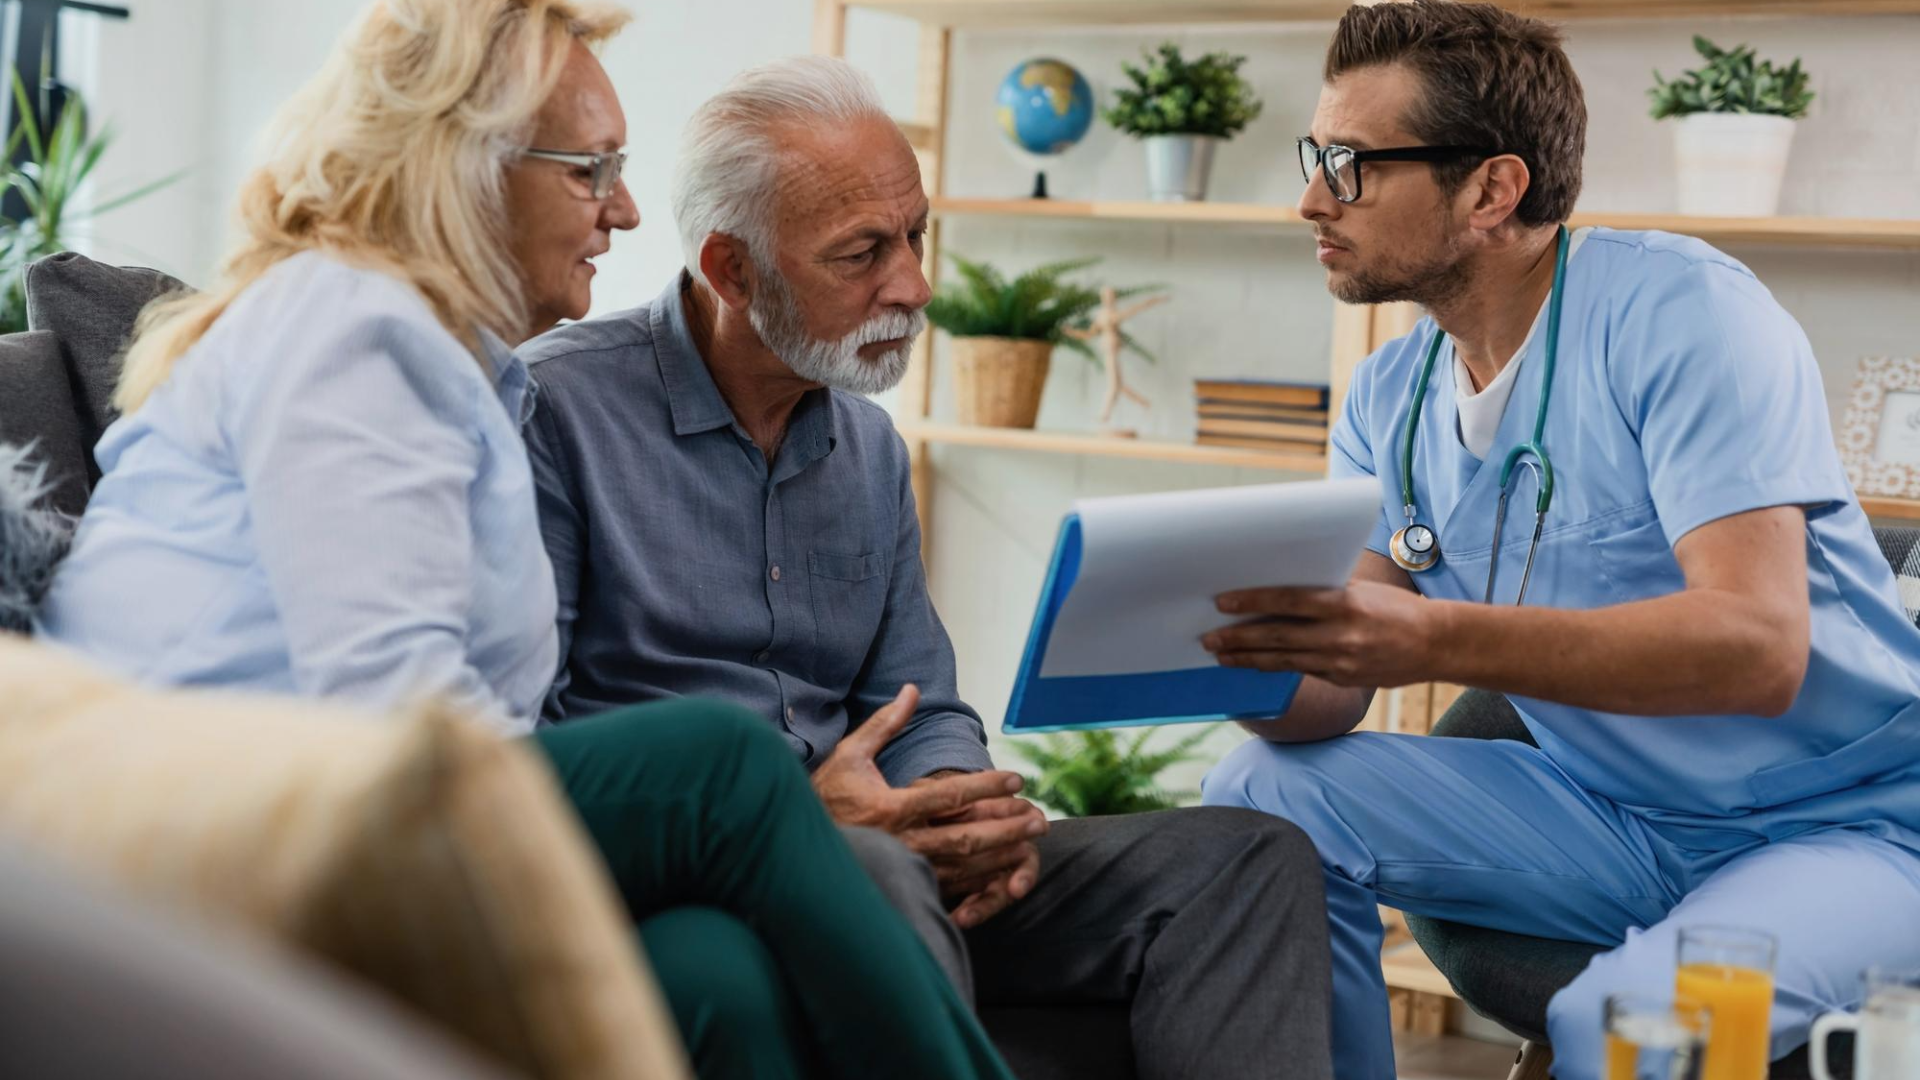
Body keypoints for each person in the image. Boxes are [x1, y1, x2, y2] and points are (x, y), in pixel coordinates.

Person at [32, 4, 1015, 1079]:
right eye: (592, 171)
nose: (629, 212)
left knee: (711, 970)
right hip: (217, 831)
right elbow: (401, 725)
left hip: (338, 812)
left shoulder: (471, 378)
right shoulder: (349, 327)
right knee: (721, 768)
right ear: (468, 171)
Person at [519, 55, 1335, 1080]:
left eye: (915, 235)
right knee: (876, 869)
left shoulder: (866, 447)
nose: (914, 286)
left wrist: (954, 799)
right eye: (862, 253)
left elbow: (920, 698)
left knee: (1246, 860)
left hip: (883, 852)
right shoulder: (555, 413)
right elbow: (529, 744)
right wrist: (818, 821)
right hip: (710, 875)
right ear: (733, 270)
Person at [1188, 3, 1920, 1079]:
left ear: (1492, 188)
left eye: (1350, 166)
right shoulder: (1389, 396)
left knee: (1619, 1030)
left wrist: (1431, 644)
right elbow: (1326, 698)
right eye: (1318, 158)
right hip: (1612, 818)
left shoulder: (1686, 314)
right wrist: (1212, 652)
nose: (1311, 198)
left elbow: (1759, 648)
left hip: (1849, 829)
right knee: (1259, 791)